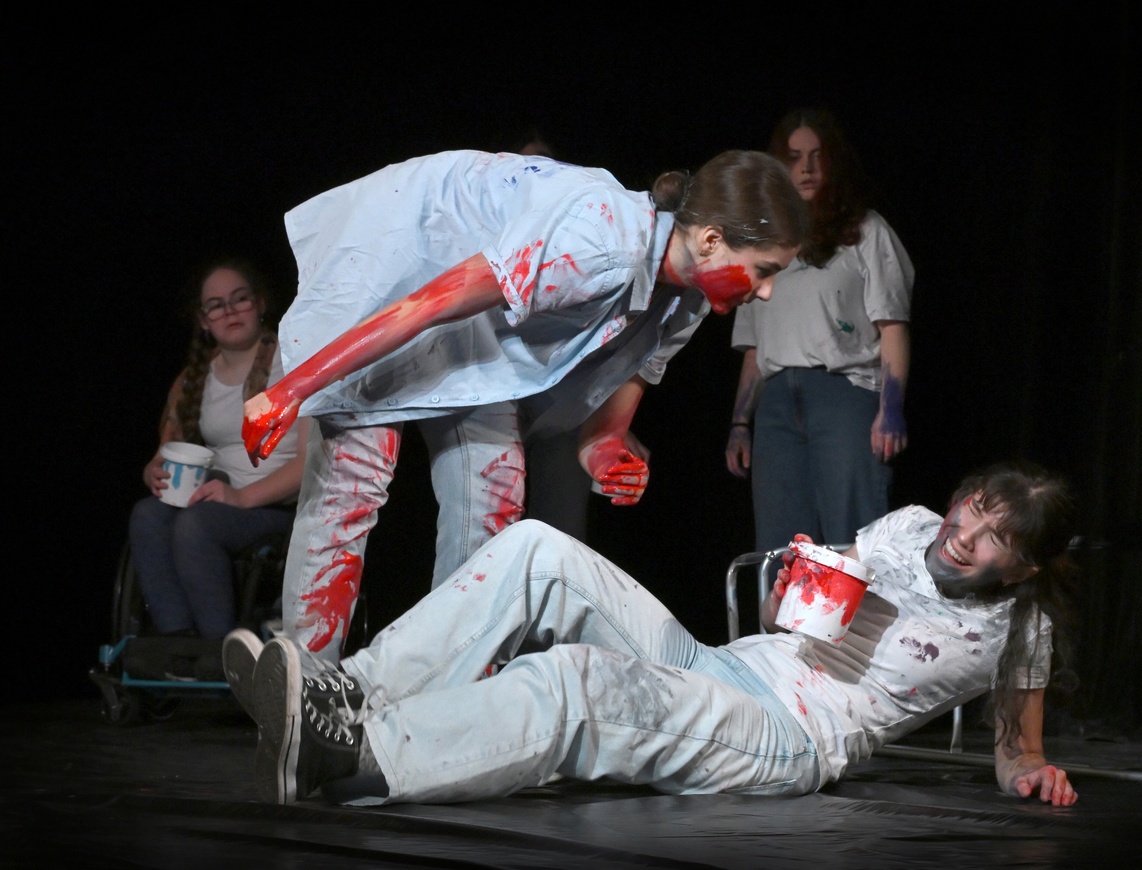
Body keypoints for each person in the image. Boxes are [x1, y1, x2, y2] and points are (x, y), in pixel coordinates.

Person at [227, 461, 1079, 808]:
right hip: (727, 664)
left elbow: (1019, 748)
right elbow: (804, 603)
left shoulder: (1022, 629)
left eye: (997, 537)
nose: (966, 534)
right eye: (975, 508)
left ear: (1023, 567)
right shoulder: (912, 523)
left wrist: (1032, 775)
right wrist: (792, 584)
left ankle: (355, 757)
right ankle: (348, 694)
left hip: (789, 734)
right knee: (538, 550)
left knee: (577, 680)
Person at [242, 149, 806, 662]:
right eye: (765, 271)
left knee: (494, 493)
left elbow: (606, 426)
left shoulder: (686, 303)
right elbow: (431, 301)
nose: (767, 293)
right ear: (710, 240)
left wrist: (608, 455)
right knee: (355, 478)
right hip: (399, 263)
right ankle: (305, 682)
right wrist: (291, 389)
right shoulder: (600, 240)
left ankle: (435, 693)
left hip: (477, 327)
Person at [726, 108, 914, 551]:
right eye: (794, 158)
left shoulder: (864, 231)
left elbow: (892, 326)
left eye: (816, 156)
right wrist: (739, 422)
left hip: (843, 394)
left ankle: (859, 602)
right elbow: (754, 347)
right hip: (776, 403)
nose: (807, 168)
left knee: (851, 535)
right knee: (782, 543)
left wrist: (891, 409)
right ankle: (786, 604)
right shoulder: (765, 243)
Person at [128, 261, 308, 676]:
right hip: (219, 500)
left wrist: (241, 497)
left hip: (276, 506)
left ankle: (220, 649)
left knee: (196, 524)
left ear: (259, 304)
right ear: (204, 320)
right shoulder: (195, 379)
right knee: (148, 515)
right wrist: (153, 471)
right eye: (216, 305)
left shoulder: (295, 365)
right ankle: (178, 642)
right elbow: (165, 451)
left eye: (239, 299)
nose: (229, 311)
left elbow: (308, 464)